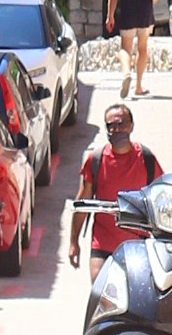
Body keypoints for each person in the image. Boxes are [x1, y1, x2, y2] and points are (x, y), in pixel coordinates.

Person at [66, 97, 163, 271]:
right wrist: (74, 242)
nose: (116, 130)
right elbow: (82, 203)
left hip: (138, 245)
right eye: (111, 126)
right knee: (101, 293)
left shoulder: (147, 159)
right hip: (102, 244)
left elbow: (161, 199)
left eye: (121, 124)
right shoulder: (96, 159)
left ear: (131, 126)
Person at [105, 0, 162, 98]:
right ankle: (138, 86)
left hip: (127, 12)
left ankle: (125, 74)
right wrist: (150, 3)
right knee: (142, 48)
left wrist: (110, 15)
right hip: (144, 13)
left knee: (125, 47)